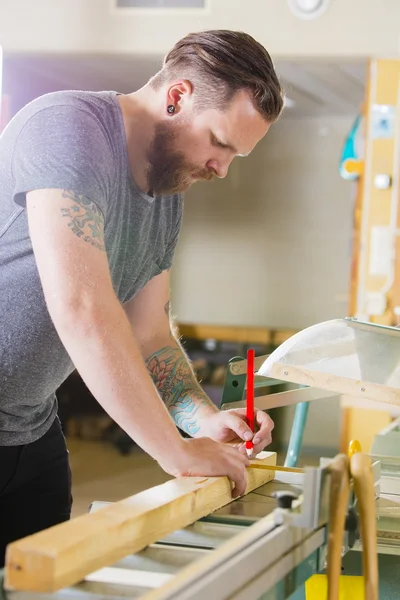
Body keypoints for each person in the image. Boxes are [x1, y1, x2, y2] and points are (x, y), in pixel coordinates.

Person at [0, 29, 283, 564]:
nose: (222, 168)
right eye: (220, 142)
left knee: (41, 578)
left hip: (29, 427)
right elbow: (81, 307)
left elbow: (149, 331)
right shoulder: (68, 127)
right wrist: (175, 451)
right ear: (176, 96)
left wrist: (201, 420)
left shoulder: (165, 194)